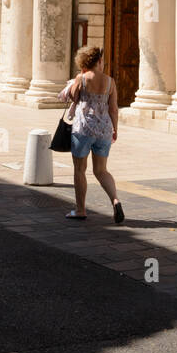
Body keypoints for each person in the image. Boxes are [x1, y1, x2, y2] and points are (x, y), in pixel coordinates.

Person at [59, 46, 124, 225]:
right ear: (98, 61)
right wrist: (115, 129)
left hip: (83, 129)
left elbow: (73, 97)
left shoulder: (82, 78)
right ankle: (115, 200)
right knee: (101, 170)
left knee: (80, 170)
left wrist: (78, 79)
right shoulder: (110, 82)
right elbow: (114, 109)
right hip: (104, 129)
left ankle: (80, 210)